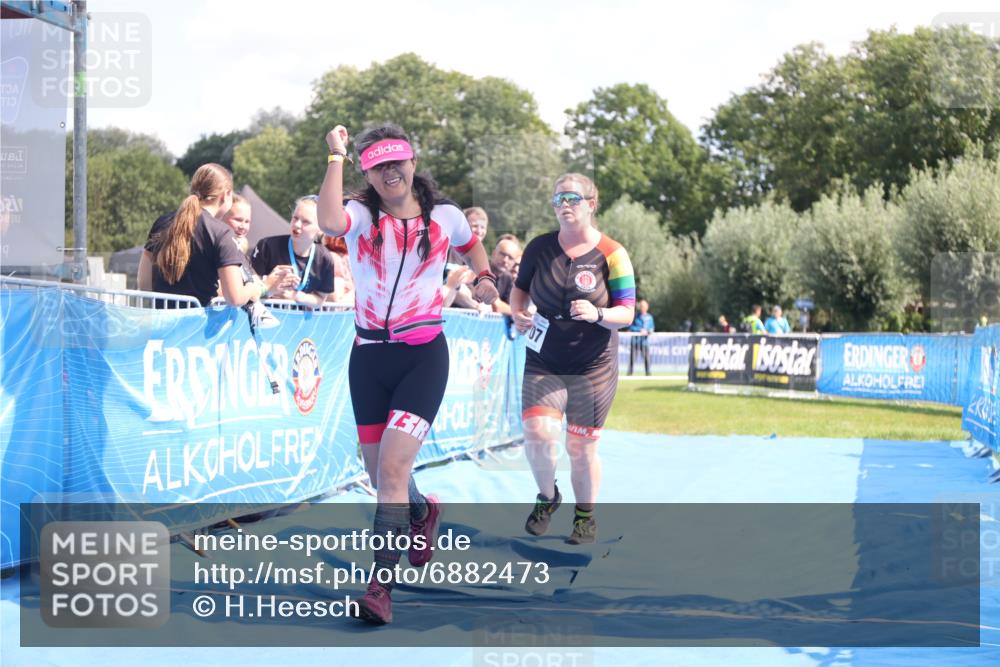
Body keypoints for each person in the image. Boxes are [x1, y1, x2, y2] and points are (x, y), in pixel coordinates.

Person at [316, 122, 499, 624]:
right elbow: (328, 220)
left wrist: (483, 277)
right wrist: (336, 155)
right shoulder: (359, 215)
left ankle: (380, 587)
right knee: (380, 477)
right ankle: (422, 511)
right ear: (368, 174)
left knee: (392, 472)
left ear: (413, 164)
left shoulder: (445, 218)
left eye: (397, 162)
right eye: (378, 166)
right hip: (369, 358)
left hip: (422, 357)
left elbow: (473, 244)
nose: (390, 172)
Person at [510, 173, 636, 545]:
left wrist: (598, 314)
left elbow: (626, 313)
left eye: (573, 198)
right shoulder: (539, 247)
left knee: (580, 446)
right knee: (536, 434)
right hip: (544, 358)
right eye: (557, 199)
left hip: (592, 364)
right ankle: (548, 497)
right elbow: (519, 293)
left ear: (592, 204)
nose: (564, 205)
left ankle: (585, 517)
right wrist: (519, 314)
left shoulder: (613, 253)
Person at [138, 163, 264, 308]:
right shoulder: (221, 232)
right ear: (225, 195)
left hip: (162, 324)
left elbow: (144, 284)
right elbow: (235, 298)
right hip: (198, 327)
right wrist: (253, 289)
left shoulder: (162, 222)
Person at [251, 196, 335, 307]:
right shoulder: (267, 246)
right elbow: (249, 287)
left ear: (321, 228)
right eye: (295, 218)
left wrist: (295, 296)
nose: (296, 225)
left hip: (296, 322)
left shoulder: (325, 258)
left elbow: (320, 300)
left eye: (306, 222)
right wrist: (270, 286)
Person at [489, 235, 520, 315]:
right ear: (494, 253)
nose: (505, 260)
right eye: (502, 254)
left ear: (514, 262)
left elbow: (511, 308)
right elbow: (498, 307)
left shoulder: (508, 278)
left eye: (510, 257)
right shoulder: (479, 269)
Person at [628, 299, 655, 376]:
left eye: (644, 306)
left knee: (647, 359)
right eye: (641, 306)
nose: (642, 307)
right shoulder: (635, 316)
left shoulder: (650, 317)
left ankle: (648, 374)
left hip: (644, 342)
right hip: (635, 341)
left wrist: (649, 331)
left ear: (647, 307)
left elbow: (652, 328)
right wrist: (640, 330)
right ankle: (630, 374)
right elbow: (630, 327)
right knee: (632, 359)